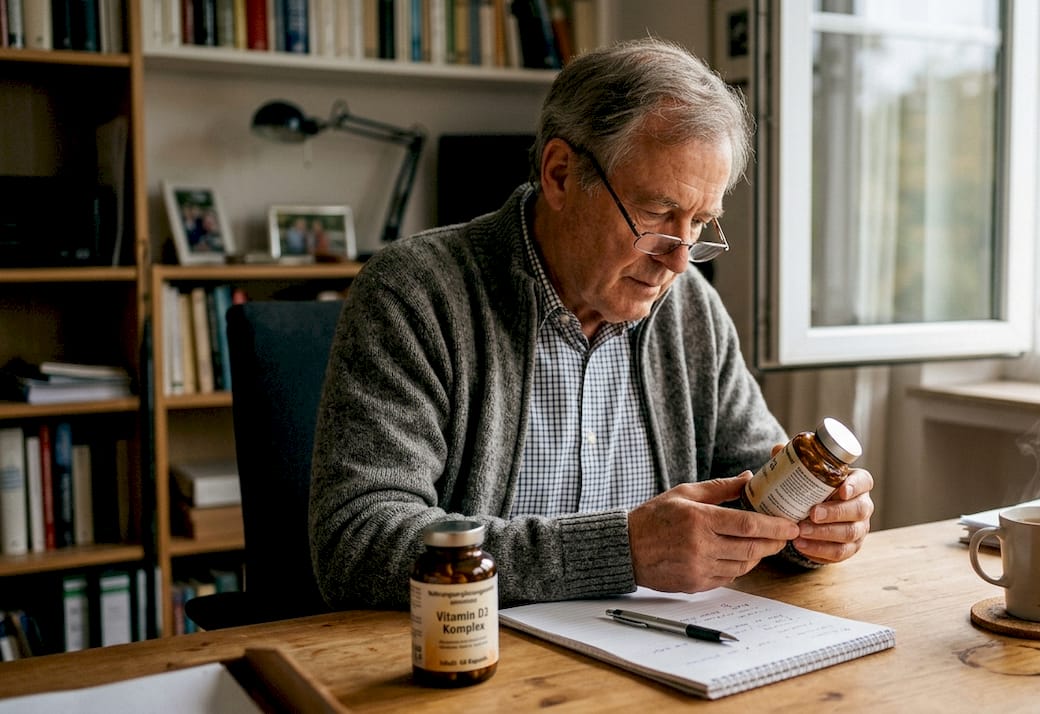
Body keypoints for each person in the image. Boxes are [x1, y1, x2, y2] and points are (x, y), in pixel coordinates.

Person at [309, 37, 875, 609]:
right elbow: (357, 542)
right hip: (470, 659)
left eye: (700, 222)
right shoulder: (415, 293)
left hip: (655, 657)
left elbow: (750, 485)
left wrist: (810, 525)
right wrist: (620, 551)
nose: (679, 260)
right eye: (657, 213)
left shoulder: (690, 309)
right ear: (559, 174)